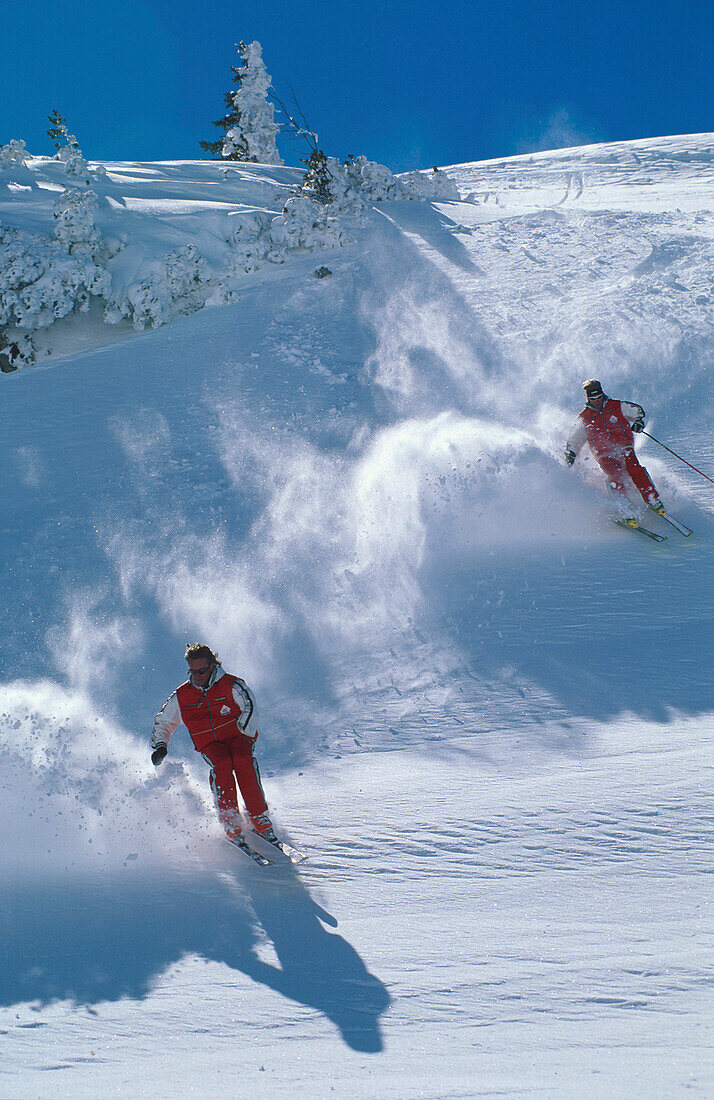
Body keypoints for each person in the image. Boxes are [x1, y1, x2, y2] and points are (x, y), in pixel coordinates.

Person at [151, 643, 277, 845]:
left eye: (201, 670)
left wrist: (244, 730)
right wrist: (161, 746)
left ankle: (258, 816)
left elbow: (249, 704)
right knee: (222, 765)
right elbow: (165, 720)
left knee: (242, 760)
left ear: (212, 666)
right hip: (210, 744)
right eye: (192, 671)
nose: (197, 675)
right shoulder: (182, 695)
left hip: (238, 736)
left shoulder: (231, 684)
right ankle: (231, 820)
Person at [565, 378, 665, 520]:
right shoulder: (584, 417)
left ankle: (652, 499)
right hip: (604, 454)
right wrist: (571, 453)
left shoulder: (616, 406)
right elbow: (574, 439)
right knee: (614, 474)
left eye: (599, 397)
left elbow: (638, 412)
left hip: (624, 447)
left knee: (634, 467)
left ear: (602, 394)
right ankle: (623, 507)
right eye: (593, 398)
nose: (597, 401)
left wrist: (638, 423)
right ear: (588, 398)